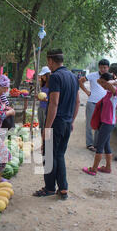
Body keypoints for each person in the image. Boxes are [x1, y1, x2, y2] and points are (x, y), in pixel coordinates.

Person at [32, 49, 80, 200]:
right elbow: (77, 102)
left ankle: (50, 188)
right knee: (59, 155)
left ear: (51, 61)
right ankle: (63, 189)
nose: (48, 64)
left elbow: (54, 103)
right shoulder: (73, 77)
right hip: (66, 123)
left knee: (49, 155)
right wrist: (71, 121)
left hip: (56, 122)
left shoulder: (55, 77)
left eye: (48, 61)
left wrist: (47, 128)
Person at [82, 72, 117, 175]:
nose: (102, 85)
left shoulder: (116, 93)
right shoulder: (108, 92)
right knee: (106, 146)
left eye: (103, 83)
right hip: (104, 122)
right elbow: (98, 81)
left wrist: (116, 81)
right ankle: (108, 168)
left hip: (108, 123)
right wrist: (105, 80)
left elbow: (109, 84)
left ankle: (93, 169)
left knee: (99, 147)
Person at [79, 59, 109, 152]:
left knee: (100, 125)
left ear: (108, 68)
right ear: (99, 67)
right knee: (90, 124)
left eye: (105, 67)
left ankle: (97, 145)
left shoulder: (110, 77)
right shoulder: (92, 75)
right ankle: (89, 144)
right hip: (92, 102)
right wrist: (87, 91)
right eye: (101, 67)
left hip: (104, 104)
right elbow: (80, 81)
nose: (103, 69)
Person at [37, 66, 51, 135]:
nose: (42, 77)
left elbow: (54, 100)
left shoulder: (52, 85)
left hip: (47, 109)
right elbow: (41, 96)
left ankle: (48, 145)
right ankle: (41, 142)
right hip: (41, 107)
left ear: (47, 75)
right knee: (41, 126)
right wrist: (38, 97)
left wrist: (47, 100)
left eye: (43, 75)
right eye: (41, 76)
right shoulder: (43, 84)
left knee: (47, 127)